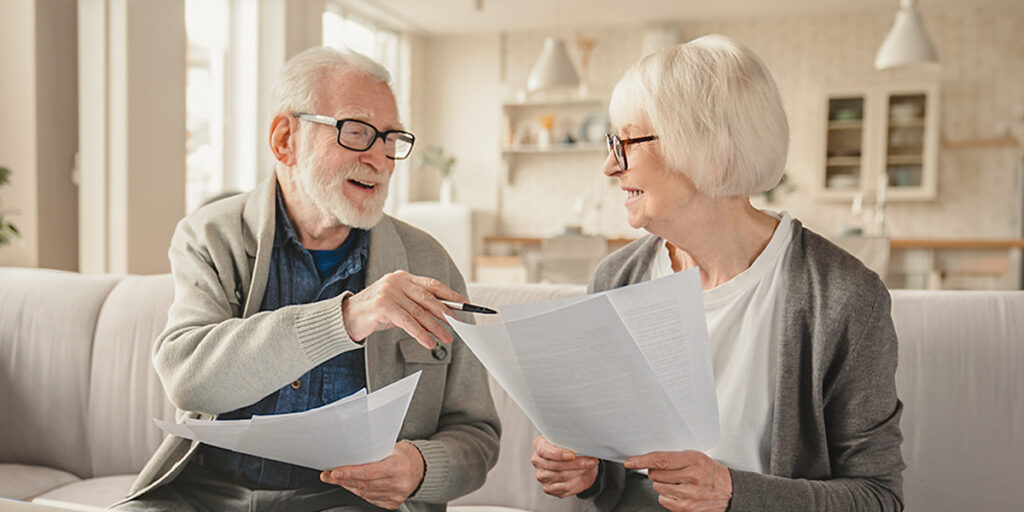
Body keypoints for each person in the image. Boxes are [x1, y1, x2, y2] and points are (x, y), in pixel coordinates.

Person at [116, 46, 500, 512]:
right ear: (284, 139)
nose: (381, 159)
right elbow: (188, 380)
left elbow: (477, 434)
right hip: (204, 494)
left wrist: (421, 466)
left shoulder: (428, 262)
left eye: (391, 139)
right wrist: (347, 317)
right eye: (357, 133)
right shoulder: (211, 236)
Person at [530, 35, 904, 512]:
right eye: (611, 143)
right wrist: (583, 472)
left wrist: (732, 492)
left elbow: (878, 499)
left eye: (626, 142)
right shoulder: (616, 279)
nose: (609, 166)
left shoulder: (844, 298)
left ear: (711, 150)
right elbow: (609, 473)